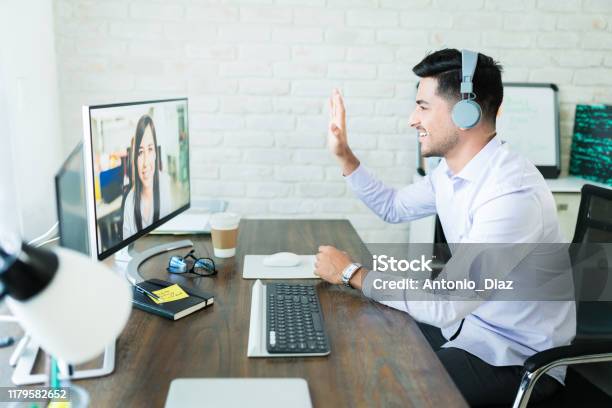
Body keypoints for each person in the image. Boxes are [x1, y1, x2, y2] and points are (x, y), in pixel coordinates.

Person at [314, 49, 576, 406]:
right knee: (359, 344)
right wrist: (345, 155)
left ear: (465, 112)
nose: (412, 119)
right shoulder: (451, 174)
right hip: (467, 329)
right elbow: (393, 207)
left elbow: (445, 304)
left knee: (382, 390)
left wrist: (350, 273)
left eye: (423, 106)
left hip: (515, 358)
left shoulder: (511, 194)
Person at [122, 114, 171, 239]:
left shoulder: (165, 184)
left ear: (155, 153)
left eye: (150, 149)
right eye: (140, 152)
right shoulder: (129, 203)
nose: (145, 163)